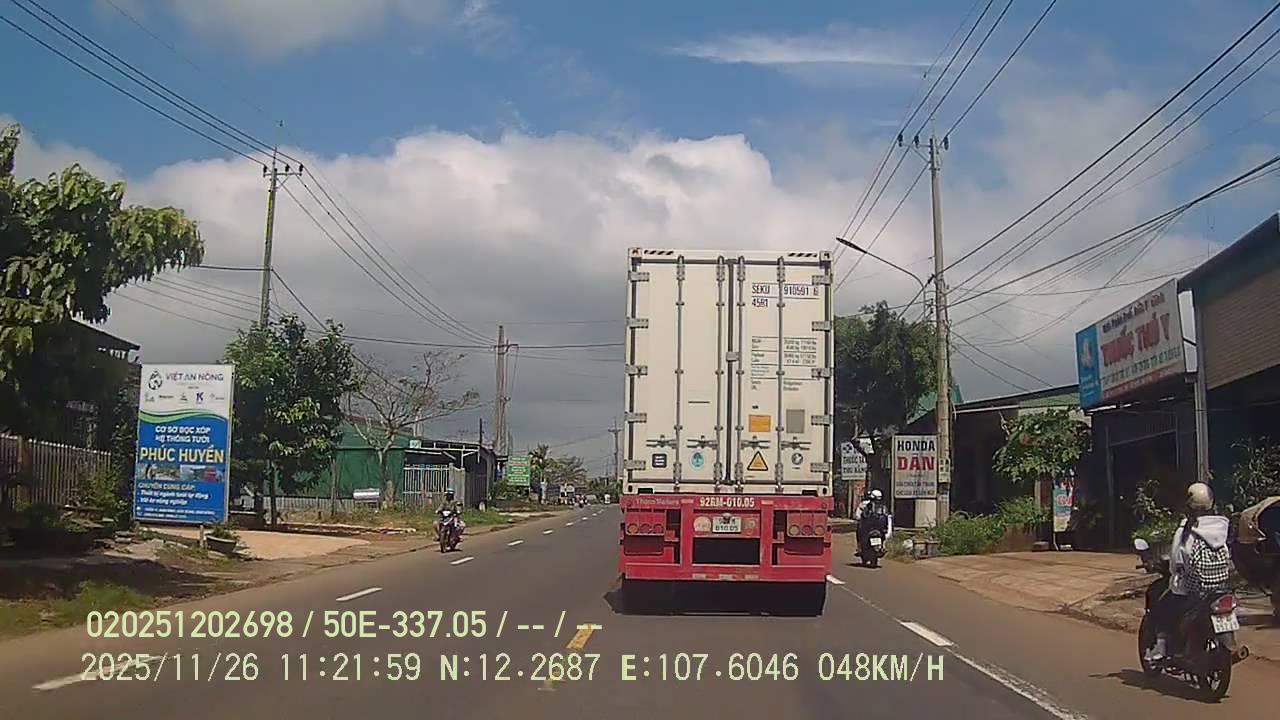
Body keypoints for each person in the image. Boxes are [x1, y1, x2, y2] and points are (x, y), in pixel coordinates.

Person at [1146, 482, 1231, 661]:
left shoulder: (1186, 529)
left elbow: (1175, 561)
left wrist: (1173, 571)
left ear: (1189, 506)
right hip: (1219, 586)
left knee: (1162, 605)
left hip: (1191, 589)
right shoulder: (1220, 527)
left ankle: (1162, 647)